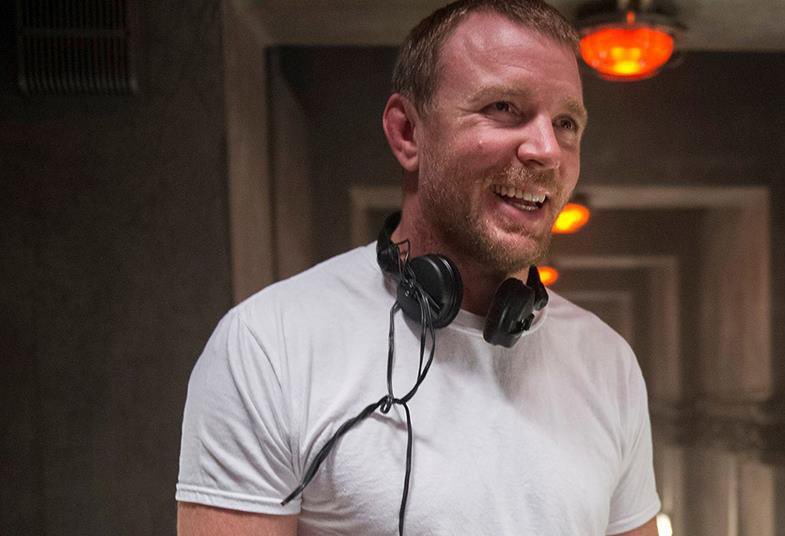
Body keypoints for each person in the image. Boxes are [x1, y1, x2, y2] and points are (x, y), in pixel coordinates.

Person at [176, 1, 660, 534]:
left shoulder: (608, 363)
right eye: (503, 107)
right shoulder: (269, 346)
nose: (547, 150)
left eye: (566, 123)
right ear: (408, 133)